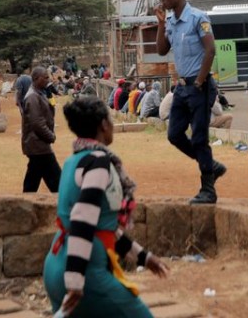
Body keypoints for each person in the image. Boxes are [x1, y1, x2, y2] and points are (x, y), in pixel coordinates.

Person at [43, 97, 169, 317]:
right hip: (85, 272)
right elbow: (83, 219)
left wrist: (144, 257)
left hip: (56, 263)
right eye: (110, 119)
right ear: (103, 124)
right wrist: (75, 280)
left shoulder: (73, 161)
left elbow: (102, 226)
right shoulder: (99, 163)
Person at [155, 0, 226, 204]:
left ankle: (208, 189)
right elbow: (161, 50)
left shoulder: (198, 18)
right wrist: (161, 23)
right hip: (182, 87)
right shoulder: (172, 22)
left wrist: (200, 81)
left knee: (199, 138)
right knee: (174, 134)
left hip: (199, 85)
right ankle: (211, 166)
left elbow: (211, 50)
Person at [22, 67, 61, 193]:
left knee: (32, 181)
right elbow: (37, 123)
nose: (47, 80)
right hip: (38, 145)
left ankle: (24, 204)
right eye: (45, 77)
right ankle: (64, 207)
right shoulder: (32, 97)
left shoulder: (39, 93)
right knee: (58, 182)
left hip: (38, 145)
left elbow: (48, 113)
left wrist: (49, 96)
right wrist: (51, 136)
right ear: (36, 79)